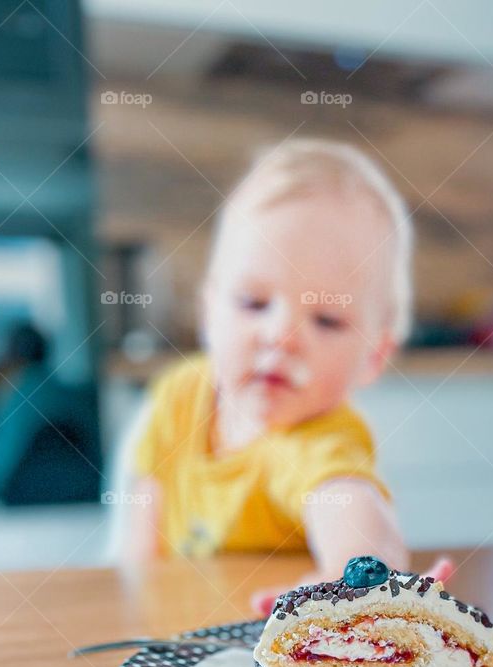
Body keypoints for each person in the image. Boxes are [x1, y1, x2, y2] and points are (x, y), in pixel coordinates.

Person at [118, 139, 452, 612]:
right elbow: (138, 556)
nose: (281, 336)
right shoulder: (179, 394)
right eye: (253, 303)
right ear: (209, 310)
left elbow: (350, 508)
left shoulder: (320, 439)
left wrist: (359, 583)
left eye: (327, 320)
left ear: (374, 357)